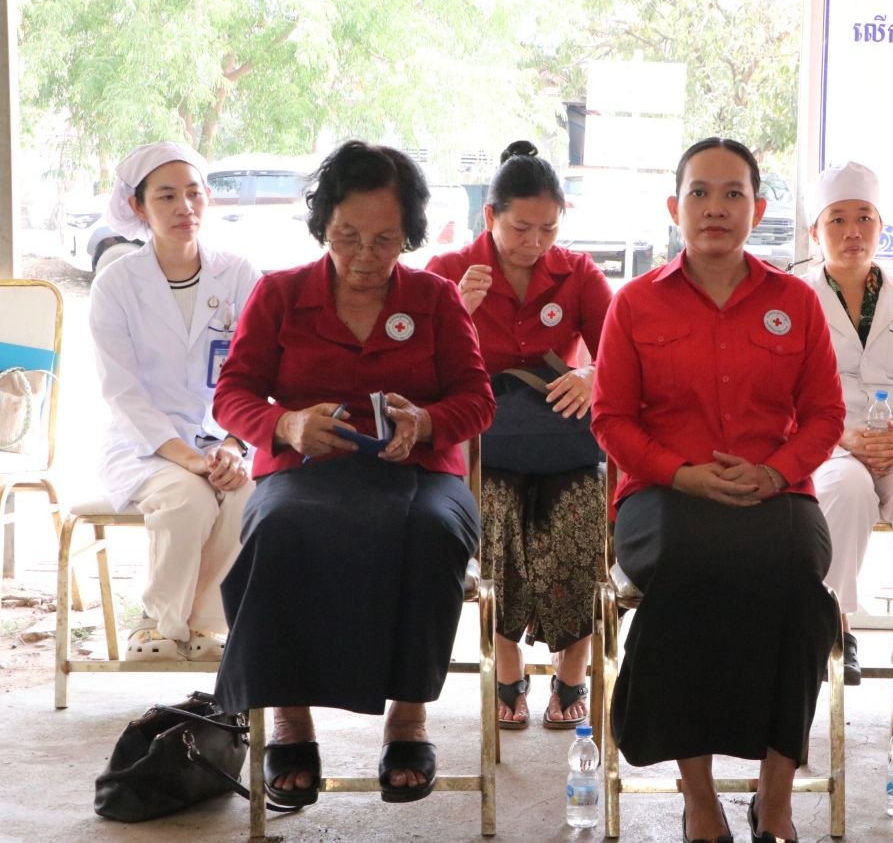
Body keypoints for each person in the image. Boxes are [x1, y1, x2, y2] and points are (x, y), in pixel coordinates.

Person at [211, 141, 495, 806]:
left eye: (384, 240)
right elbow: (233, 394)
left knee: (434, 533)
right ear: (323, 225)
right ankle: (290, 720)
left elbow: (477, 399)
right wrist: (285, 424)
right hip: (302, 476)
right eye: (347, 236)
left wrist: (425, 421)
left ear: (409, 235)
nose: (365, 256)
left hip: (420, 474)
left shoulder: (436, 297)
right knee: (277, 530)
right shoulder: (279, 294)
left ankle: (408, 718)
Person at [592, 137, 845, 843]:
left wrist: (775, 472)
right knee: (689, 565)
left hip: (777, 492)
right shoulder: (635, 303)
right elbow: (610, 418)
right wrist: (682, 473)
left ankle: (776, 796)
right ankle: (699, 797)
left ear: (758, 209)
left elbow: (825, 414)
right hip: (663, 495)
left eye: (733, 193)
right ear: (674, 207)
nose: (715, 208)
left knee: (800, 584)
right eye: (699, 192)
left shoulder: (795, 300)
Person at [428, 141, 611, 731]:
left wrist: (592, 375)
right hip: (484, 446)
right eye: (520, 228)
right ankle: (506, 668)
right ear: (490, 216)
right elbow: (414, 370)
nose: (534, 242)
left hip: (562, 442)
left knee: (583, 515)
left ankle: (572, 671)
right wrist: (453, 311)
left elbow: (622, 355)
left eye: (548, 229)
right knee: (495, 514)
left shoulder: (578, 273)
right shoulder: (449, 271)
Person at [89, 141, 259, 662]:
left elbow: (257, 373)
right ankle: (159, 624)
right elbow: (122, 391)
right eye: (166, 196)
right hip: (144, 444)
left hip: (224, 438)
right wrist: (188, 457)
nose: (185, 207)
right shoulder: (117, 283)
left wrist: (232, 444)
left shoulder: (239, 274)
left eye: (194, 193)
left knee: (247, 493)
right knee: (188, 497)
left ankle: (208, 625)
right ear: (138, 207)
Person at [800, 162, 893, 684]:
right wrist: (843, 436)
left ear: (880, 225)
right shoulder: (795, 299)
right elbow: (786, 392)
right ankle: (837, 627)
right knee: (845, 489)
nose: (853, 231)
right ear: (815, 232)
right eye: (838, 220)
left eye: (864, 218)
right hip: (831, 442)